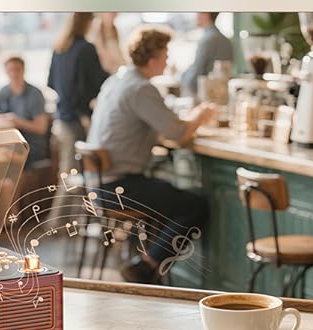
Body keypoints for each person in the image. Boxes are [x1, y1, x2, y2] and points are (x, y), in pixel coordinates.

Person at [87, 26, 216, 284]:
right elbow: (177, 133)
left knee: (168, 196)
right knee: (195, 206)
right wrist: (201, 115)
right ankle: (147, 265)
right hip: (119, 188)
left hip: (98, 185)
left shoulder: (117, 80)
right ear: (153, 57)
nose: (168, 59)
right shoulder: (140, 88)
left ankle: (146, 263)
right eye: (165, 53)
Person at [48, 12, 108, 173]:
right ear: (88, 23)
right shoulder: (86, 49)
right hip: (78, 119)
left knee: (71, 174)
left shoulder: (59, 48)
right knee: (73, 178)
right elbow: (99, 82)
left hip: (62, 117)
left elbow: (51, 82)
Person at [0, 56, 50, 170]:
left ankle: (13, 186)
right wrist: (2, 120)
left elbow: (41, 128)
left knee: (4, 160)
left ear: (23, 70)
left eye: (17, 70)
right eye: (10, 70)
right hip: (10, 143)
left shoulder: (34, 94)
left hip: (30, 145)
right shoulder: (4, 91)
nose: (14, 74)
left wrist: (18, 122)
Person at [179, 12, 234, 96]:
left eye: (198, 13)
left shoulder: (208, 39)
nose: (195, 16)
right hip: (222, 93)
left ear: (205, 14)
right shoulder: (226, 40)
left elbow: (196, 72)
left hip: (206, 94)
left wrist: (182, 79)